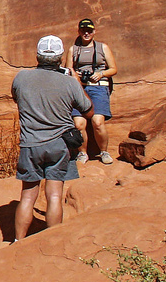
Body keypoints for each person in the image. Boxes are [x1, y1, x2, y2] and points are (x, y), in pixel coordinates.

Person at [11, 35, 92, 242]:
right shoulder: (68, 82)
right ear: (60, 57)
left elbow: (16, 98)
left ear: (38, 56)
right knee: (54, 195)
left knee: (28, 196)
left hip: (30, 144)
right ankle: (52, 241)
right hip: (59, 144)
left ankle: (18, 241)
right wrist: (76, 83)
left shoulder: (21, 78)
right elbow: (89, 111)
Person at [68, 18, 119, 165]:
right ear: (79, 31)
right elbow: (68, 70)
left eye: (89, 30)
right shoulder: (73, 49)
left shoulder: (103, 48)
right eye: (83, 30)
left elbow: (113, 69)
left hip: (99, 87)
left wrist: (101, 74)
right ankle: (82, 154)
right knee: (79, 124)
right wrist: (76, 77)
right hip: (80, 88)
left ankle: (104, 152)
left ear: (94, 31)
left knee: (97, 121)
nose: (86, 33)